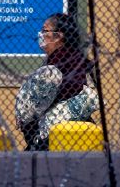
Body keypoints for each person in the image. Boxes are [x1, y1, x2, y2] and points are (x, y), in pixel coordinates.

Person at [14, 12, 99, 150]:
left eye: (45, 30)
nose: (41, 35)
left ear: (59, 36)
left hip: (55, 135)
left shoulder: (61, 63)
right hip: (76, 130)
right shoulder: (72, 59)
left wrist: (27, 120)